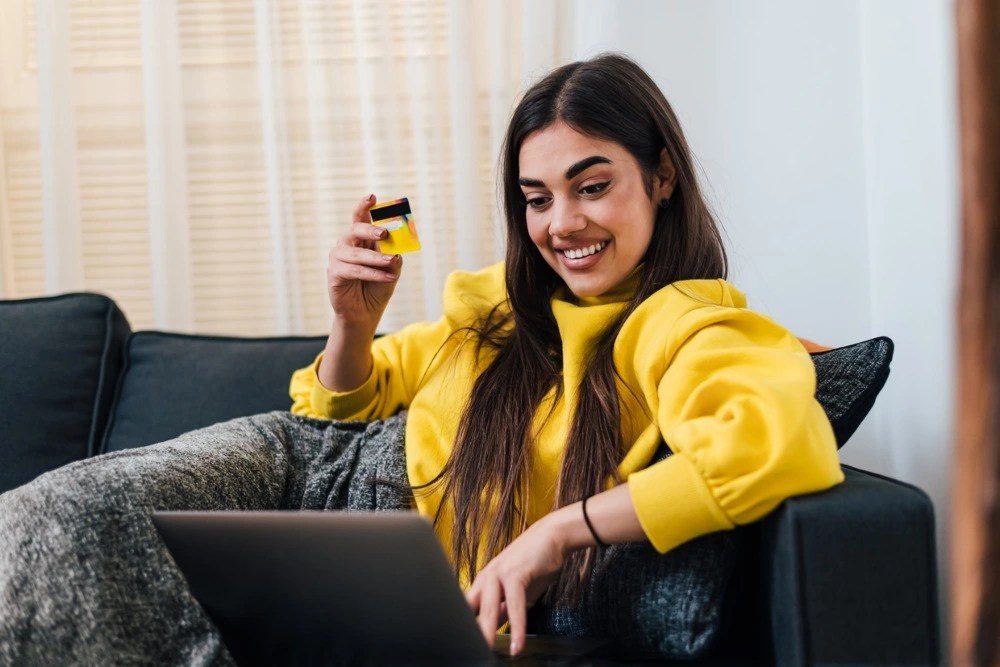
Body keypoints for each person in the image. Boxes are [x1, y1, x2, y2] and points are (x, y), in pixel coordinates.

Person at [288, 52, 844, 657]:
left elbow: (774, 446)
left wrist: (560, 531)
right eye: (538, 199)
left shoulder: (690, 325)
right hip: (315, 507)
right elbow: (335, 415)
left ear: (663, 177)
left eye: (592, 188)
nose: (563, 224)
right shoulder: (492, 305)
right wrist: (353, 324)